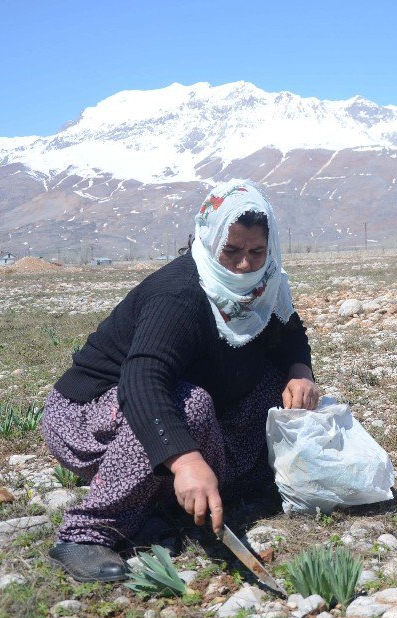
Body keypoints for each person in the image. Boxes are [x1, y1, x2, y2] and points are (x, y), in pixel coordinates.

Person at [41, 179, 320, 582]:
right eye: (232, 251)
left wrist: (300, 372)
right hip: (95, 418)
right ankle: (87, 532)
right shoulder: (179, 294)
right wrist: (187, 461)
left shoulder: (267, 284)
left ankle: (185, 494)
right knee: (190, 405)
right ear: (208, 241)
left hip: (185, 401)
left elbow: (288, 333)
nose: (244, 264)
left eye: (256, 252)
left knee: (273, 388)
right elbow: (143, 382)